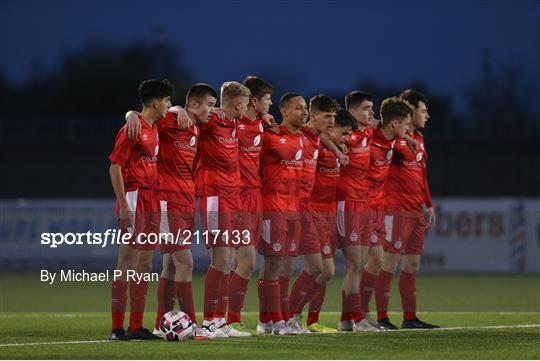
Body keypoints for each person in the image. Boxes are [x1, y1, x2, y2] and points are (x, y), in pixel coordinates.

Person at [125, 83, 219, 339]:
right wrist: (130, 114)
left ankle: (160, 323)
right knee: (185, 261)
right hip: (167, 201)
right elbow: (143, 116)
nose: (213, 110)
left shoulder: (197, 128)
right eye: (210, 105)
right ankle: (193, 325)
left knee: (169, 265)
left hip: (186, 201)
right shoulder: (169, 120)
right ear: (194, 105)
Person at [108, 79, 174, 341]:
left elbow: (185, 112)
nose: (170, 105)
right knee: (125, 263)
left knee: (144, 265)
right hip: (134, 199)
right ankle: (116, 328)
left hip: (152, 199)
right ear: (156, 102)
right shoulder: (131, 129)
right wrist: (124, 204)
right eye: (167, 100)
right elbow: (114, 167)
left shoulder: (154, 125)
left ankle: (136, 326)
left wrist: (132, 112)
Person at [375, 89, 439, 329]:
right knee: (388, 263)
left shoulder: (419, 140)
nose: (427, 115)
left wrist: (428, 203)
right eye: (423, 110)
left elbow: (422, 174)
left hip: (415, 211)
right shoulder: (392, 138)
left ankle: (410, 318)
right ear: (410, 112)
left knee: (411, 265)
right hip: (394, 210)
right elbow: (374, 128)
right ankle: (382, 318)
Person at [196, 81, 252, 337]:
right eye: (247, 104)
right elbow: (182, 112)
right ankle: (209, 321)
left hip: (233, 198)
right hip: (215, 196)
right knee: (219, 260)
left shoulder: (232, 124)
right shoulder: (210, 121)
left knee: (229, 260)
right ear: (238, 103)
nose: (248, 109)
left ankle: (219, 320)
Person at [224, 76, 274, 334]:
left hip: (255, 196)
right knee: (242, 260)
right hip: (236, 196)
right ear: (253, 101)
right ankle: (227, 319)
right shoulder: (231, 122)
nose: (270, 103)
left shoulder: (262, 125)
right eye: (267, 99)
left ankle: (228, 319)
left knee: (242, 261)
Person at [358, 96, 414, 330]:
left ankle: (360, 313)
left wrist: (408, 137)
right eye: (405, 124)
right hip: (360, 207)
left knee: (377, 259)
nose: (408, 128)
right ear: (394, 124)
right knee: (357, 263)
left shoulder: (393, 139)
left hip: (378, 209)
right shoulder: (369, 137)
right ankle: (353, 316)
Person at [286, 95, 338, 333]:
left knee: (321, 269)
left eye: (334, 117)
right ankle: (281, 318)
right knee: (282, 267)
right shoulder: (299, 135)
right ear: (313, 115)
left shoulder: (317, 139)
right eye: (327, 116)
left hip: (309, 211)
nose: (331, 121)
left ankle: (293, 317)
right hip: (291, 209)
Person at [256, 93, 307, 335]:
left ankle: (267, 321)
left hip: (293, 210)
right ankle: (277, 321)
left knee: (284, 266)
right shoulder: (271, 136)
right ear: (284, 111)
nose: (304, 112)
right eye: (299, 108)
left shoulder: (303, 138)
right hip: (272, 208)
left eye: (305, 107)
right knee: (273, 264)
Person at [303, 109, 354, 332]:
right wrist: (334, 146)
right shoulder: (318, 144)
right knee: (326, 271)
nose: (346, 139)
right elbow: (318, 135)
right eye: (343, 134)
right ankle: (293, 315)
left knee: (322, 271)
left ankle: (311, 320)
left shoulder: (335, 149)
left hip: (329, 216)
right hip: (313, 212)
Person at [335, 91, 380, 332]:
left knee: (364, 263)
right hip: (348, 202)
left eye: (372, 107)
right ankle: (357, 318)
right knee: (354, 265)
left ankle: (347, 319)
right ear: (351, 113)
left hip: (364, 202)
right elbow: (322, 135)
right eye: (366, 108)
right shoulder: (344, 136)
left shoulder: (369, 132)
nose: (371, 112)